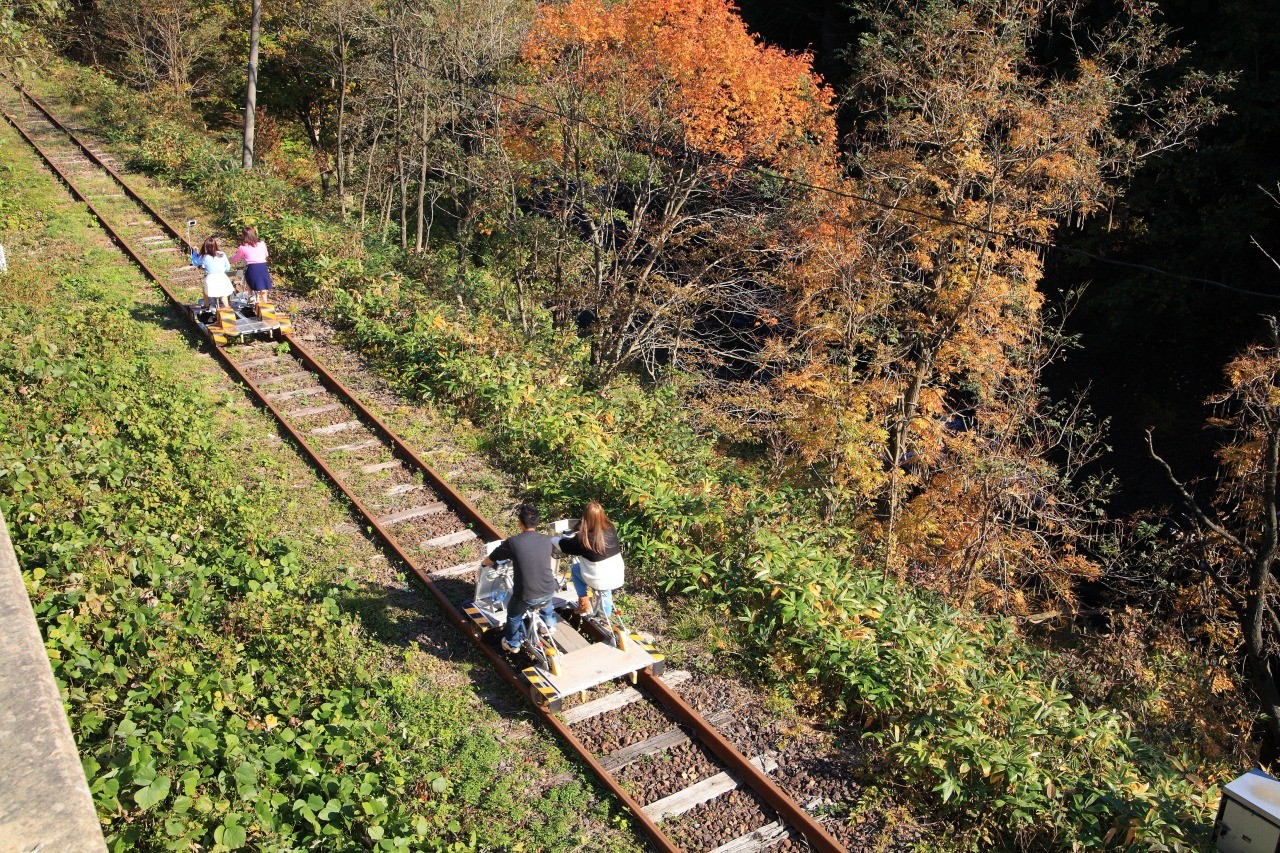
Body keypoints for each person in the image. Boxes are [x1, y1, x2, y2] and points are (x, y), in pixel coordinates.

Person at [481, 504, 557, 654]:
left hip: (527, 594)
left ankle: (512, 643)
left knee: (514, 614)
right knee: (545, 600)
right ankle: (549, 625)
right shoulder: (547, 540)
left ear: (520, 522)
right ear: (537, 522)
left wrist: (484, 564)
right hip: (550, 588)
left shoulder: (514, 542)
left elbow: (493, 558)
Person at [556, 501, 624, 617]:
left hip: (598, 578)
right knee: (605, 589)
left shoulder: (584, 538)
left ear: (585, 516)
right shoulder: (610, 528)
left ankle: (584, 602)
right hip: (616, 572)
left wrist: (558, 539)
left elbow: (566, 546)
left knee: (575, 570)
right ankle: (604, 615)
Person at [229, 226, 272, 305]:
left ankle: (252, 298)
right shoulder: (261, 243)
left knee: (249, 281)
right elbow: (266, 254)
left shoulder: (243, 247)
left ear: (244, 235)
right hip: (263, 266)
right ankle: (264, 301)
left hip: (252, 267)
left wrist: (229, 261)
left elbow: (236, 258)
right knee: (263, 285)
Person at [191, 237, 234, 309]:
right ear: (215, 245)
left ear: (205, 247)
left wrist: (195, 251)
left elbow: (194, 262)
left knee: (205, 290)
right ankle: (227, 307)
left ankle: (207, 305)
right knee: (223, 295)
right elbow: (227, 268)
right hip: (222, 277)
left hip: (211, 278)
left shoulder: (204, 256)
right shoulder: (222, 254)